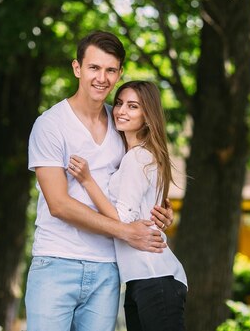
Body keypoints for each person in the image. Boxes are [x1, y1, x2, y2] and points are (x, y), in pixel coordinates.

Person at [26, 31, 174, 331]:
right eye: (94, 67)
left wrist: (158, 212)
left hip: (108, 268)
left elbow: (138, 181)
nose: (102, 78)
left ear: (119, 73)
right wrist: (127, 232)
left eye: (110, 70)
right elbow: (59, 205)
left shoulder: (121, 122)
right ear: (77, 68)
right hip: (56, 262)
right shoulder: (50, 125)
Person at [68, 80, 187, 331]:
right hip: (139, 280)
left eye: (133, 106)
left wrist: (88, 181)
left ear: (148, 115)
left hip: (155, 276)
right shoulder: (133, 156)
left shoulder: (138, 157)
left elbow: (122, 220)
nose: (121, 111)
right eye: (120, 103)